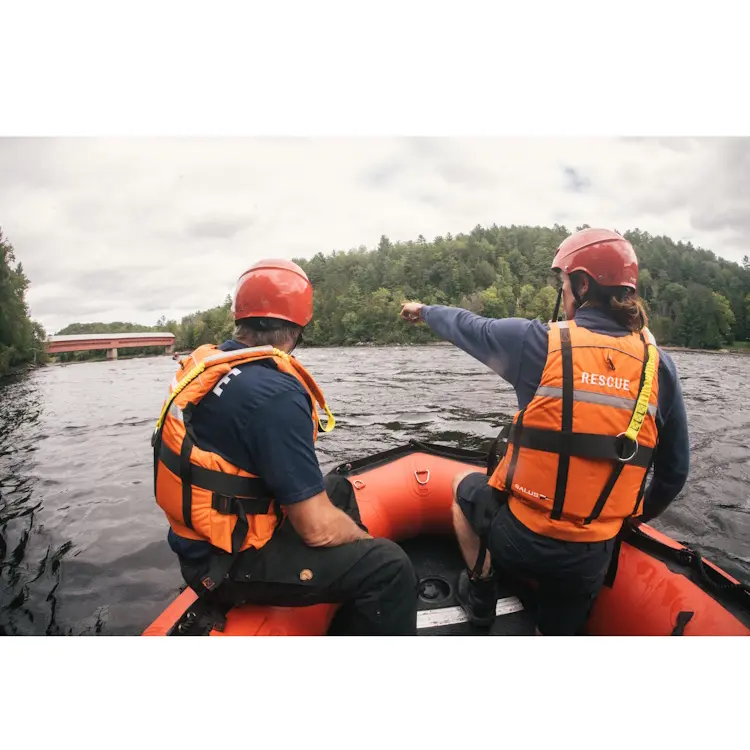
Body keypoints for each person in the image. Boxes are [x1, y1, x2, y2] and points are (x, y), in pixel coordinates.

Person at [400, 228, 690, 635]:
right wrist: (629, 520)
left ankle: (481, 592)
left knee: (463, 492)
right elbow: (674, 474)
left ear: (582, 283)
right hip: (591, 556)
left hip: (522, 540)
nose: (564, 292)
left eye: (563, 282)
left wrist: (424, 309)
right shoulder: (659, 367)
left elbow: (468, 326)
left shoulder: (536, 343)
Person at [152, 258, 418, 635]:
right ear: (298, 326)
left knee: (338, 488)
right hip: (226, 565)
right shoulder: (275, 395)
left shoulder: (213, 367)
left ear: (240, 318)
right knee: (389, 566)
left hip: (203, 543)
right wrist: (363, 541)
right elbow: (316, 530)